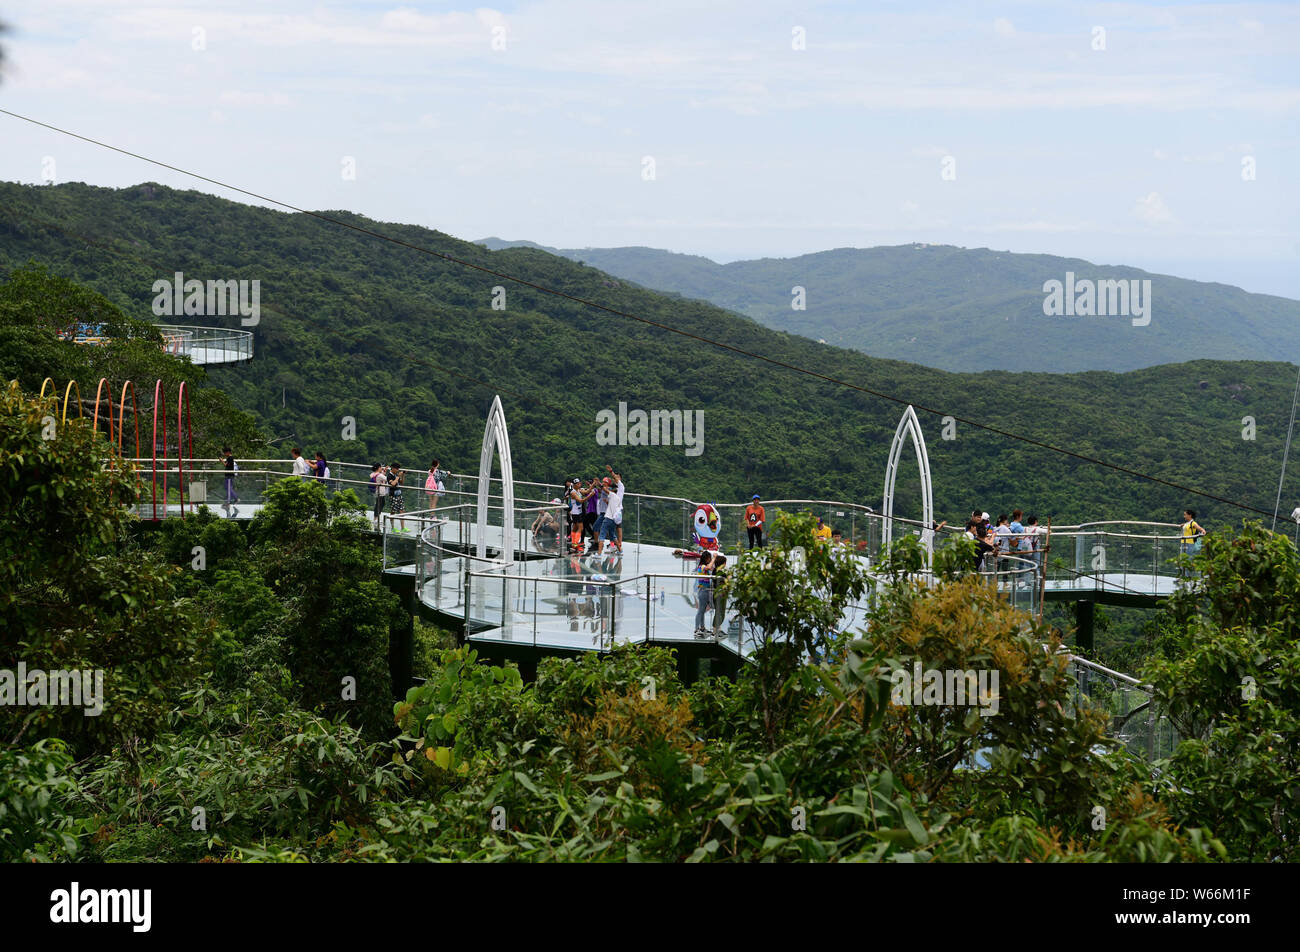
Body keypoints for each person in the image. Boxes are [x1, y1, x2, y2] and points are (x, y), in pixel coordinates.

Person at [600, 465, 625, 554]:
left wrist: (611, 472)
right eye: (615, 477)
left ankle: (616, 546)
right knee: (615, 528)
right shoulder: (615, 488)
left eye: (618, 477)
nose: (616, 478)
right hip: (614, 510)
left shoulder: (621, 486)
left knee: (615, 528)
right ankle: (616, 546)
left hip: (617, 510)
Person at [693, 550, 716, 637]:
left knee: (702, 610)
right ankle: (696, 629)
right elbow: (709, 568)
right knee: (700, 610)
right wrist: (714, 558)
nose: (710, 560)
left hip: (705, 590)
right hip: (703, 590)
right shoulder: (702, 566)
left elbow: (710, 568)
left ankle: (702, 628)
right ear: (707, 558)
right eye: (709, 558)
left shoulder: (702, 566)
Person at [1180, 508, 1205, 576]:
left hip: (1189, 543)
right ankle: (1184, 575)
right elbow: (1186, 528)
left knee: (1186, 560)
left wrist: (1203, 531)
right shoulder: (1187, 523)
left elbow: (1200, 528)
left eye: (1185, 515)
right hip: (1184, 543)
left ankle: (1186, 576)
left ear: (1190, 515)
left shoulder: (1193, 523)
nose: (1184, 516)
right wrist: (1183, 525)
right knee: (1183, 559)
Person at [711, 553, 729, 638]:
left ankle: (717, 629)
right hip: (721, 594)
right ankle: (715, 630)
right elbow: (726, 582)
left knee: (718, 611)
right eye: (725, 563)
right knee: (720, 612)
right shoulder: (721, 573)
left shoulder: (714, 570)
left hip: (716, 593)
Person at [389, 465, 406, 530]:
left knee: (402, 510)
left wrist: (403, 475)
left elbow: (401, 483)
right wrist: (398, 476)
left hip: (399, 495)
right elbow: (392, 484)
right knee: (393, 511)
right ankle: (392, 528)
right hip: (393, 496)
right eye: (397, 468)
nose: (397, 470)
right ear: (393, 468)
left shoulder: (396, 475)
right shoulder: (389, 476)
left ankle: (403, 528)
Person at [372, 464, 388, 530]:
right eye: (381, 467)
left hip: (377, 491)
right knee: (379, 505)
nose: (381, 468)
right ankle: (376, 519)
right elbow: (387, 479)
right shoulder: (379, 475)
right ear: (378, 468)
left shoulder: (373, 474)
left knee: (380, 504)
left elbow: (381, 477)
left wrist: (384, 471)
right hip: (380, 492)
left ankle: (376, 518)